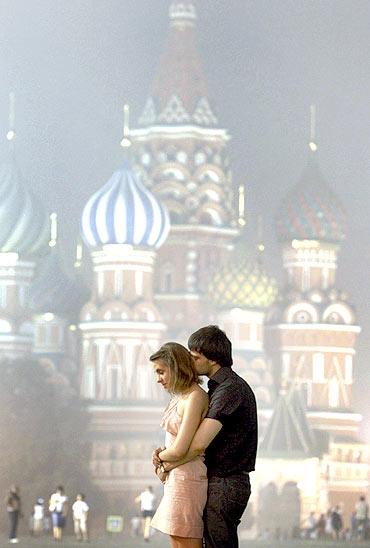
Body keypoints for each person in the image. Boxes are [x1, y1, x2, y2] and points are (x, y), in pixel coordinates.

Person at [153, 325, 258, 548]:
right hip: (222, 481)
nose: (190, 362)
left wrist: (167, 464)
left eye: (195, 357)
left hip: (226, 482)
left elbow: (198, 444)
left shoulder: (229, 389)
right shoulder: (219, 388)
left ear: (212, 359)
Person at [150, 342, 209, 547]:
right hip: (178, 477)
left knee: (186, 541)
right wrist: (163, 459)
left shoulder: (195, 397)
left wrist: (159, 459)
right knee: (176, 540)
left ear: (175, 367)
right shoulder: (180, 397)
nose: (158, 379)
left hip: (188, 478)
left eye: (161, 372)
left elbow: (181, 448)